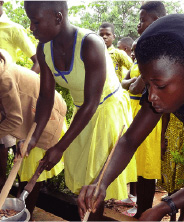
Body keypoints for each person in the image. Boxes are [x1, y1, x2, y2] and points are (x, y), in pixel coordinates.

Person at [77, 14, 184, 222]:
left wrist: (164, 207)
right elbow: (129, 140)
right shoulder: (170, 85)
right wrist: (101, 183)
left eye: (161, 86)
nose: (152, 96)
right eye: (147, 84)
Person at [23, 1, 137, 220]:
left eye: (35, 21)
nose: (31, 28)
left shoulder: (90, 43)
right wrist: (33, 137)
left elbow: (92, 102)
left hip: (106, 111)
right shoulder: (44, 48)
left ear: (58, 17)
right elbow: (46, 96)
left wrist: (60, 147)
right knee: (83, 179)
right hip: (83, 113)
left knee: (95, 185)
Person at [0, 34, 67, 220]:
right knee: (24, 170)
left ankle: (25, 215)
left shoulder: (3, 77)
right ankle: (22, 212)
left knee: (30, 174)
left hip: (45, 118)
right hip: (27, 121)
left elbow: (14, 121)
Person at [0, 1, 40, 199]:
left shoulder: (14, 29)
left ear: (1, 2)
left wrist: (20, 89)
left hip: (9, 95)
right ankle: (0, 182)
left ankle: (20, 184)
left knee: (18, 140)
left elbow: (37, 60)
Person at [121, 37, 162, 218]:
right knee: (138, 167)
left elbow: (134, 89)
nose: (132, 53)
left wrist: (134, 82)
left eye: (136, 50)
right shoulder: (137, 65)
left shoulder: (151, 65)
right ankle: (139, 207)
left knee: (147, 170)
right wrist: (133, 81)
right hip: (134, 117)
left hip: (148, 119)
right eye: (132, 50)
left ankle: (145, 210)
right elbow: (122, 83)